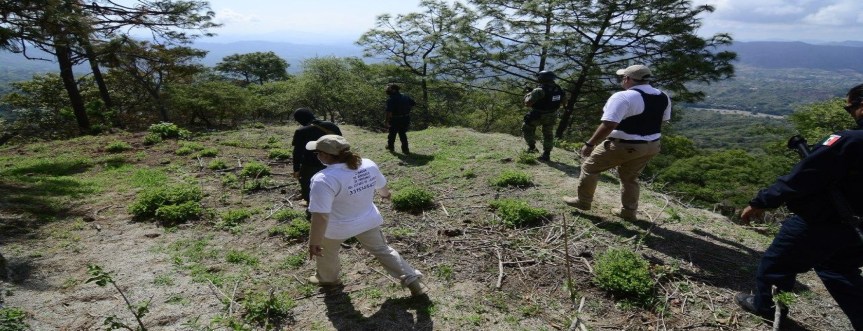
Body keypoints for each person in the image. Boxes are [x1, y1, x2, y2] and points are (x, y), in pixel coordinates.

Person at [735, 84, 863, 328]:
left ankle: (766, 308)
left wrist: (761, 202)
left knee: (776, 265)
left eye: (851, 108)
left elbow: (803, 176)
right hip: (855, 228)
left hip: (823, 220)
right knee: (839, 268)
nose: (850, 113)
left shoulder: (850, 140)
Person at [305, 134, 426, 296]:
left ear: (326, 156)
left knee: (326, 255)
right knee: (383, 250)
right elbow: (382, 188)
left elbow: (321, 216)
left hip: (336, 228)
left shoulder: (323, 179)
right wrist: (385, 195)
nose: (317, 156)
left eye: (318, 153)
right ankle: (412, 280)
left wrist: (314, 241)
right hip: (367, 221)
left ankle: (329, 280)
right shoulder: (367, 164)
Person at [562, 64, 671, 221]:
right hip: (652, 145)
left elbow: (609, 124)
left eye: (622, 77)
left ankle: (583, 201)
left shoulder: (623, 96)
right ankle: (628, 212)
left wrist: (590, 143)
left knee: (590, 168)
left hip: (625, 144)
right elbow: (662, 120)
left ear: (627, 79)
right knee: (630, 178)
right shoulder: (663, 96)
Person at [290, 108, 342, 206]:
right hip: (333, 161)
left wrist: (296, 169)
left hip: (310, 163)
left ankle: (310, 203)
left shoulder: (301, 131)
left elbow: (297, 152)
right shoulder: (332, 126)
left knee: (307, 182)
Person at [523, 70, 566, 161]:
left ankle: (532, 147)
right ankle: (546, 154)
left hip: (538, 115)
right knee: (548, 134)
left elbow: (528, 103)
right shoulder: (559, 89)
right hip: (552, 115)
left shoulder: (539, 90)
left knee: (526, 128)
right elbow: (564, 102)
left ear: (542, 78)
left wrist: (528, 95)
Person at [384, 84, 416, 154]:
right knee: (402, 133)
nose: (386, 90)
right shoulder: (405, 96)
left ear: (394, 90)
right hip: (406, 118)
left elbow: (389, 112)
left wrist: (386, 122)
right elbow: (413, 103)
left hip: (395, 119)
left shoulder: (391, 99)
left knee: (392, 134)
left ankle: (390, 147)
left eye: (388, 89)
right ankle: (405, 150)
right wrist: (406, 108)